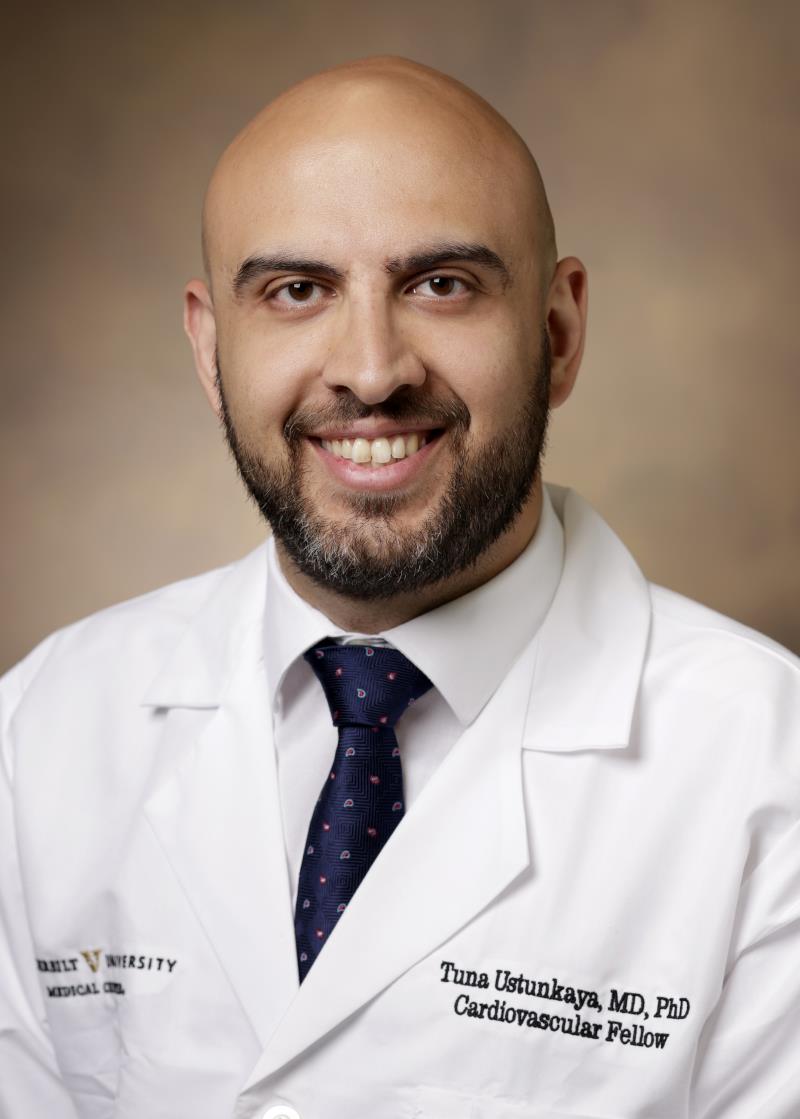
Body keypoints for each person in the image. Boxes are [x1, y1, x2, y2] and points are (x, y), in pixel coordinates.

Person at [0, 55, 797, 1119]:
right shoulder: (43, 730)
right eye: (296, 291)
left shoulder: (768, 779)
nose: (372, 371)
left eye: (441, 284)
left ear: (557, 334)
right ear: (209, 349)